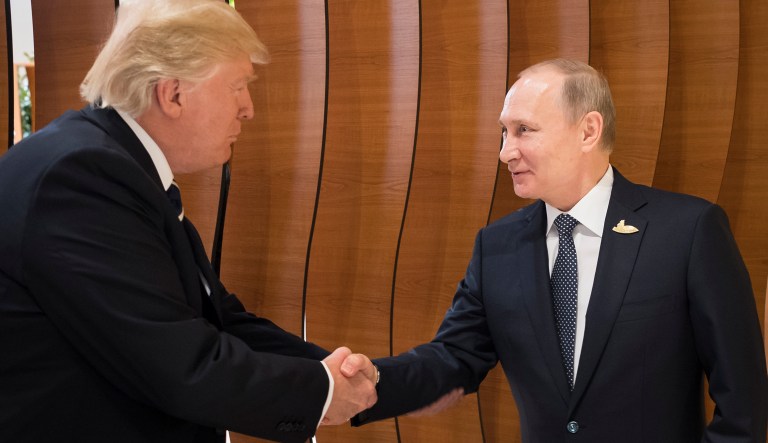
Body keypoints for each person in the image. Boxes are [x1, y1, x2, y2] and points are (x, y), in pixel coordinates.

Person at [0, 1, 377, 442]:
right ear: (173, 93)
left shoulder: (107, 160)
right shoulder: (82, 178)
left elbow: (214, 318)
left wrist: (336, 371)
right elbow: (178, 366)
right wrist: (324, 391)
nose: (249, 108)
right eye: (238, 86)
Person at [351, 59, 768, 441]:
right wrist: (374, 382)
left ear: (588, 130)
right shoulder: (496, 246)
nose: (505, 152)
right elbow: (453, 357)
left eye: (523, 130)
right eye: (503, 131)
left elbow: (742, 399)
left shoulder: (688, 231)